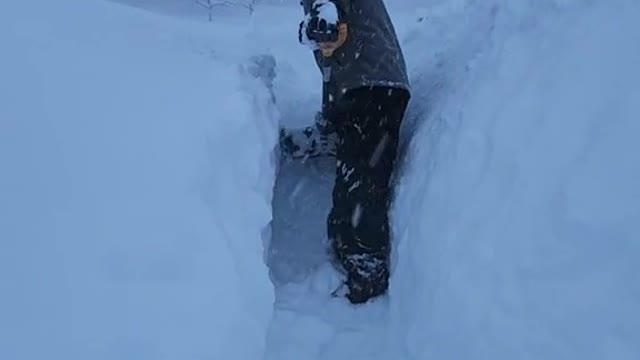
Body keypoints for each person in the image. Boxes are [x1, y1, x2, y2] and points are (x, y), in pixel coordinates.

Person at [283, 0, 411, 304]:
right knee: (351, 181)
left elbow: (328, 25)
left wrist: (317, 24)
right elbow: (333, 52)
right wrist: (326, 129)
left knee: (361, 183)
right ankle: (350, 256)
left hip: (374, 84)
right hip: (363, 84)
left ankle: (367, 270)